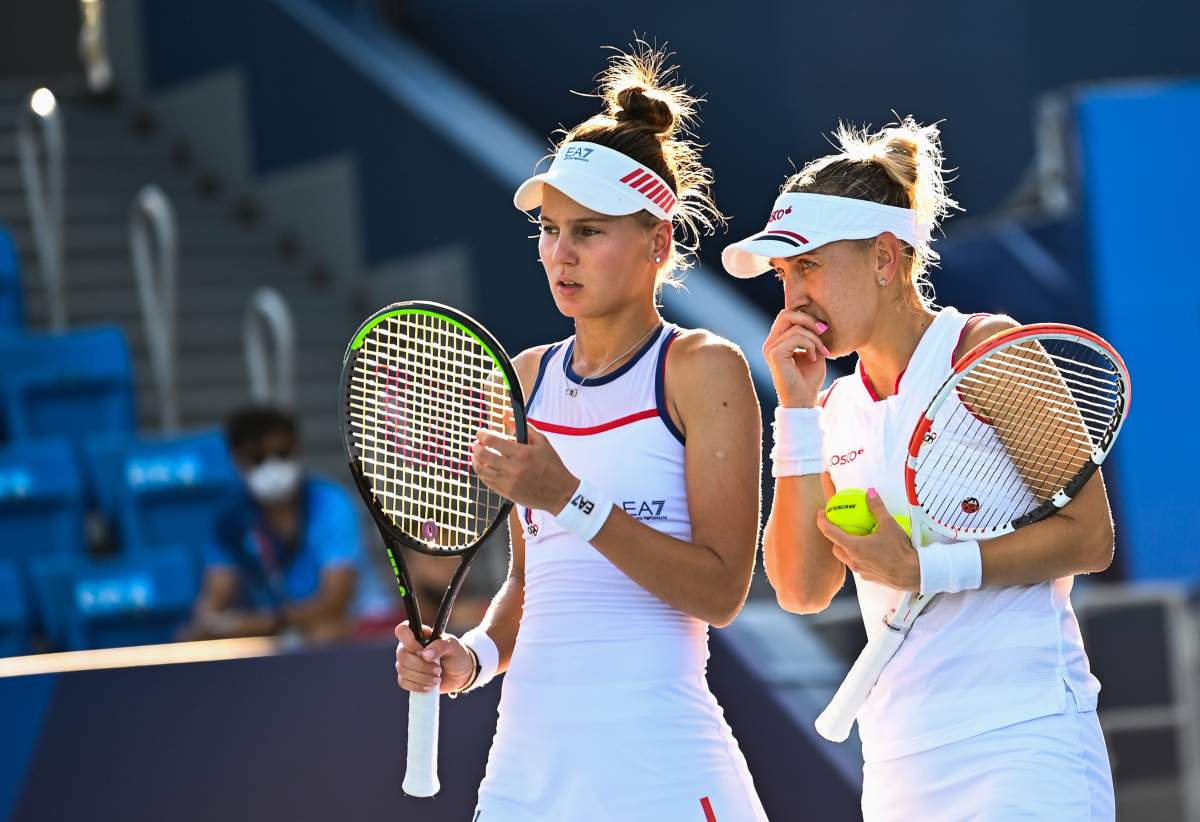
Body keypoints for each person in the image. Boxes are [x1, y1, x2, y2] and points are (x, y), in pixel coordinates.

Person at [393, 47, 768, 821]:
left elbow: (721, 591)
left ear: (658, 242)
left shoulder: (704, 368)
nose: (560, 255)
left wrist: (569, 497)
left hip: (663, 776)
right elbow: (533, 584)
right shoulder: (524, 378)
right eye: (550, 229)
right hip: (525, 780)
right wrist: (471, 657)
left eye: (589, 232)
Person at [724, 118, 1116, 821]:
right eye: (785, 276)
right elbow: (803, 589)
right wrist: (797, 411)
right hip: (898, 761)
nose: (793, 298)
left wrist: (926, 569)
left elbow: (1090, 538)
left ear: (883, 257)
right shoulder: (830, 408)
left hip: (1025, 739)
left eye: (809, 267)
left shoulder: (987, 348)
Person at [184, 406, 365, 643]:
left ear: (298, 449)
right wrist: (211, 622)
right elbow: (215, 596)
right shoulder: (231, 516)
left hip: (344, 625)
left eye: (282, 454)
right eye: (258, 458)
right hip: (274, 631)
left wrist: (267, 623)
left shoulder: (331, 503)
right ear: (236, 460)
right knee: (190, 637)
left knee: (326, 631)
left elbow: (335, 602)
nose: (272, 467)